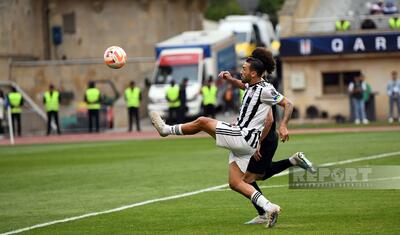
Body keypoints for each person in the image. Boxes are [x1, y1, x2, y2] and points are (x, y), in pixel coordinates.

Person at [150, 56, 294, 228]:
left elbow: (288, 104)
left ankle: (166, 130)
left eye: (245, 69)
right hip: (246, 142)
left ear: (254, 73)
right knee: (236, 183)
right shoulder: (252, 85)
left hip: (243, 137)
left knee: (203, 121)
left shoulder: (266, 90)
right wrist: (230, 79)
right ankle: (269, 207)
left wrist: (283, 125)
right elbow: (243, 85)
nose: (242, 71)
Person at [237, 48, 316, 224]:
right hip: (266, 137)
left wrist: (257, 142)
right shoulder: (258, 84)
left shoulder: (263, 88)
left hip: (264, 137)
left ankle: (265, 212)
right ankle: (293, 161)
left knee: (246, 179)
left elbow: (269, 118)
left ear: (255, 68)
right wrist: (230, 80)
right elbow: (244, 85)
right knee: (259, 175)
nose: (244, 68)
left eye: (247, 64)